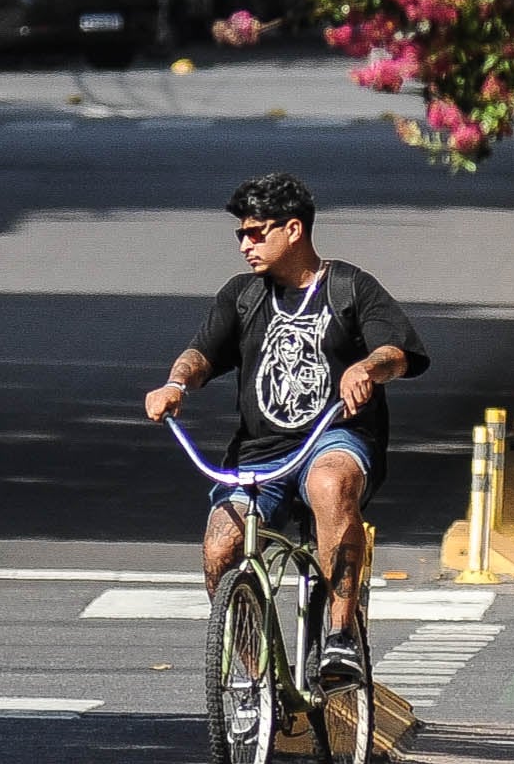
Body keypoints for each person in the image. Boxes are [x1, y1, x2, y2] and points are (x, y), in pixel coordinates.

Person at [145, 172, 429, 685]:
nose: (245, 245)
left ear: (293, 230)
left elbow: (398, 352)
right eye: (240, 235)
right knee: (220, 545)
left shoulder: (348, 287)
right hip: (260, 454)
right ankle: (260, 681)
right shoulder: (243, 296)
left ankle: (340, 637)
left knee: (328, 483)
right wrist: (175, 384)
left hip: (335, 438)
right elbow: (201, 354)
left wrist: (368, 368)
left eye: (256, 233)